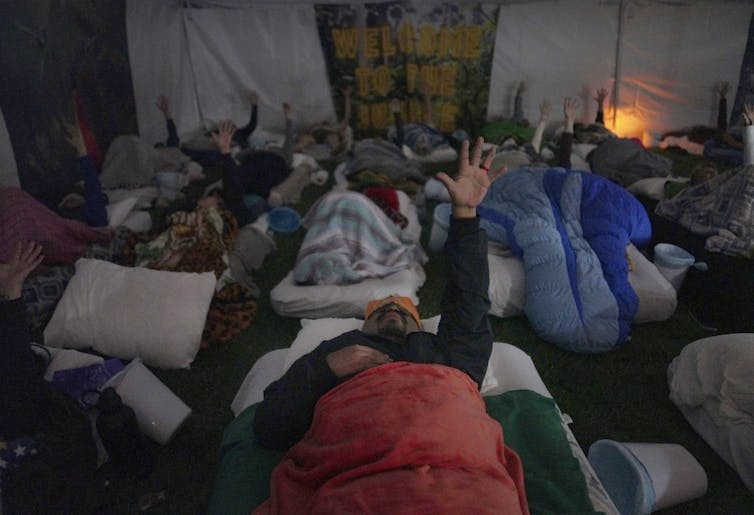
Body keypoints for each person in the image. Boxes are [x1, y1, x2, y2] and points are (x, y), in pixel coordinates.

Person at [254, 136, 505, 450]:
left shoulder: (451, 356)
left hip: (443, 456)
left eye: (402, 310)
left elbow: (468, 299)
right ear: (363, 325)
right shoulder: (335, 354)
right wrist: (323, 369)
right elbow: (268, 428)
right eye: (381, 310)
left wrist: (465, 216)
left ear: (421, 327)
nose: (393, 308)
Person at [211, 102, 295, 225]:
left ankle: (233, 207)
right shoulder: (254, 149)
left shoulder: (283, 152)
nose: (268, 143)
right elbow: (239, 156)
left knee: (257, 183)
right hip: (251, 165)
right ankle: (225, 206)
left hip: (272, 166)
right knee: (240, 178)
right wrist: (254, 150)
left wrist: (289, 120)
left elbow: (289, 139)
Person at [387, 80, 452, 156]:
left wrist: (396, 112)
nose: (421, 146)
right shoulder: (432, 135)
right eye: (424, 148)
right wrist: (427, 96)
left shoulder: (408, 141)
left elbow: (399, 132)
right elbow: (429, 115)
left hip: (402, 128)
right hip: (414, 125)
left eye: (420, 148)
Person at [294, 86, 354, 158]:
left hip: (328, 134)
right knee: (305, 139)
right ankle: (297, 148)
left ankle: (336, 149)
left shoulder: (334, 128)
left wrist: (347, 97)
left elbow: (347, 117)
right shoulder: (313, 122)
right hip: (313, 135)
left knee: (332, 138)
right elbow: (304, 126)